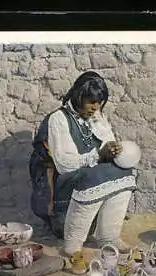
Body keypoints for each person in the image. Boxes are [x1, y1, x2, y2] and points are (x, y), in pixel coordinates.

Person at [29, 71, 136, 261]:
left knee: (125, 171)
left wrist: (113, 150)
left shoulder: (96, 116)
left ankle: (108, 236)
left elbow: (106, 143)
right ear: (78, 96)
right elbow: (64, 165)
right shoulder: (58, 119)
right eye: (91, 102)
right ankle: (72, 244)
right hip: (67, 183)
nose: (95, 107)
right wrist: (98, 155)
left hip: (90, 177)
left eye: (99, 102)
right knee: (92, 177)